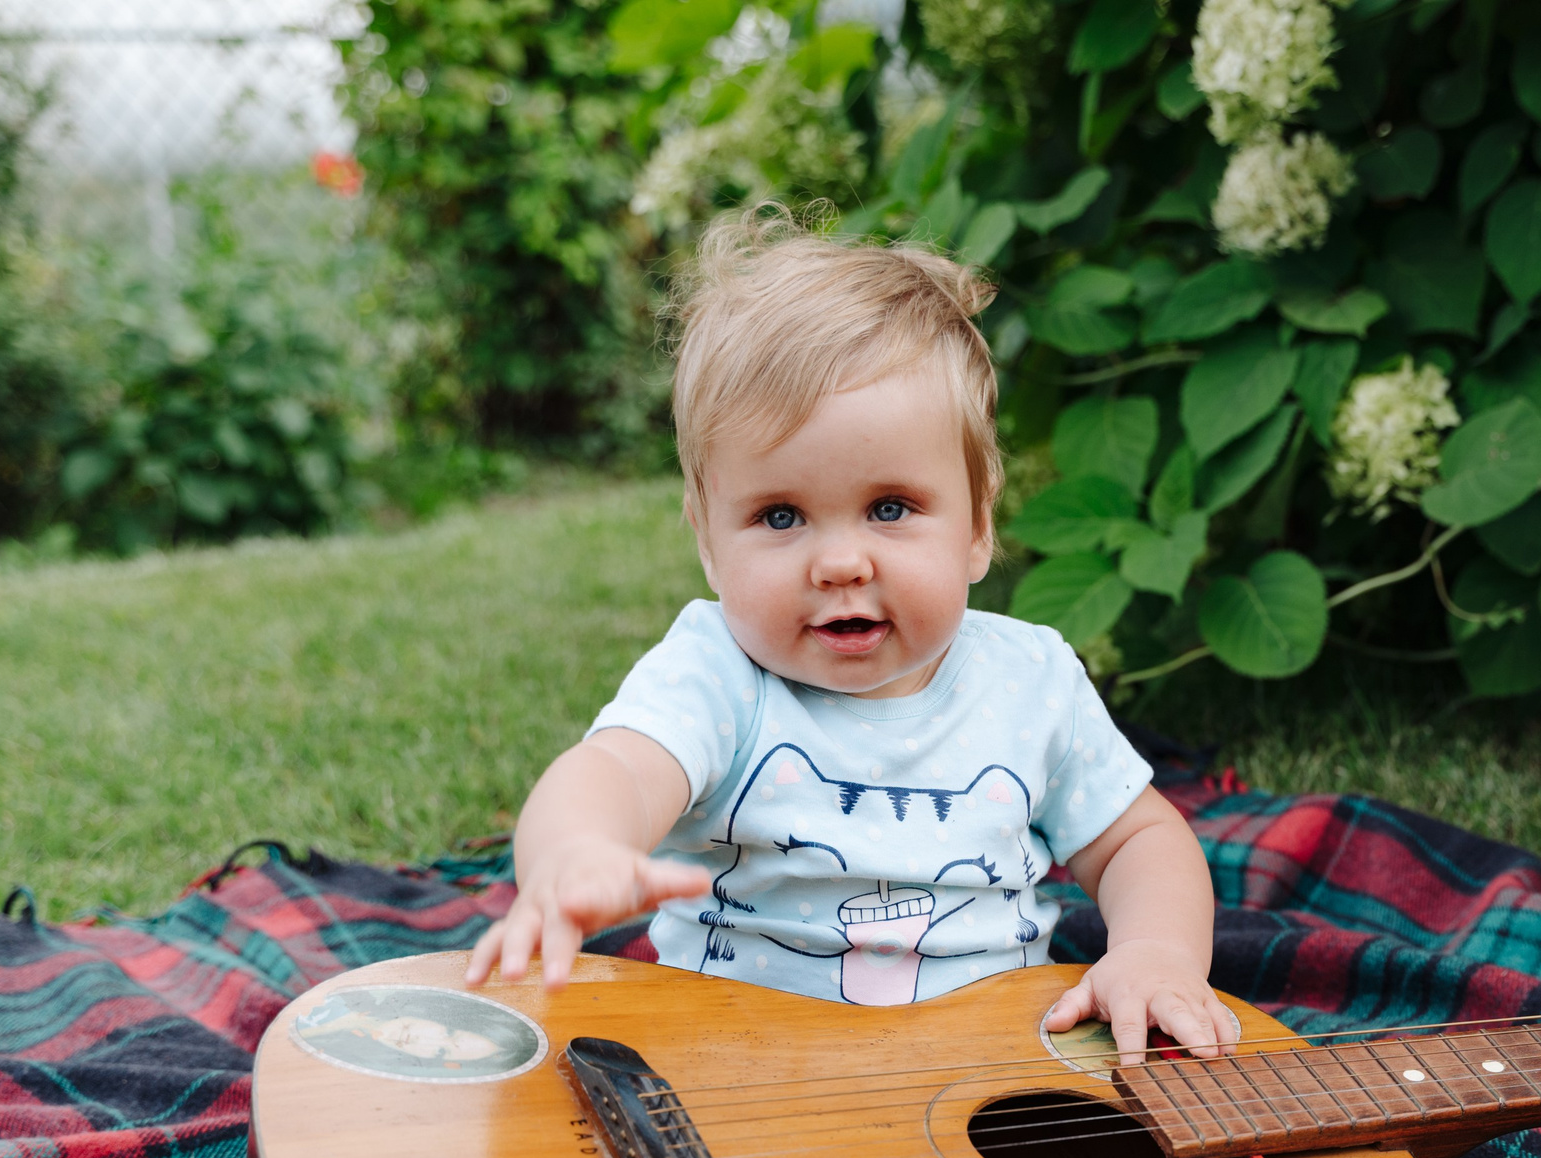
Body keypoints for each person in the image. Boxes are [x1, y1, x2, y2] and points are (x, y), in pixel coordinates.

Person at [464, 207, 1234, 1063]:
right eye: (781, 515)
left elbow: (1138, 839)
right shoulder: (716, 673)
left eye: (890, 508)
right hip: (746, 1076)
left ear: (977, 527)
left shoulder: (1031, 679)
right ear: (708, 540)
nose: (838, 561)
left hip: (987, 1073)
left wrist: (1153, 952)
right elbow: (611, 773)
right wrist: (574, 850)